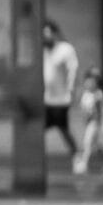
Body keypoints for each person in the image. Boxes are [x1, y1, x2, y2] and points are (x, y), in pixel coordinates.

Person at [42, 18, 79, 157]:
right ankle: (33, 157)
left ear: (55, 33)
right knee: (37, 129)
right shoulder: (43, 50)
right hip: (46, 99)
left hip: (61, 99)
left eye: (48, 33)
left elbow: (73, 70)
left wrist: (71, 91)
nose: (45, 37)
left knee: (63, 128)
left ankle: (76, 155)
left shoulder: (65, 49)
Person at [73, 66, 103, 176]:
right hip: (89, 122)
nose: (89, 84)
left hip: (95, 123)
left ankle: (84, 163)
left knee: (88, 142)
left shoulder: (98, 95)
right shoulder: (86, 95)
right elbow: (83, 109)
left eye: (92, 82)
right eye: (87, 82)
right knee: (98, 145)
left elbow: (101, 110)